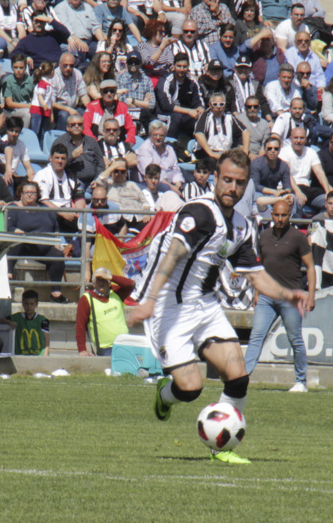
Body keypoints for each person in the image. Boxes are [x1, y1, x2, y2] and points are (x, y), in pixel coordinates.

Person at [129, 149, 308, 464]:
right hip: (170, 309)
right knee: (191, 388)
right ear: (215, 178)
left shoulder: (241, 226)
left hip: (207, 306)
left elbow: (255, 276)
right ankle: (165, 394)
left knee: (238, 376)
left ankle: (221, 447)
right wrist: (149, 301)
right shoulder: (198, 213)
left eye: (239, 183)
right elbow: (171, 255)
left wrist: (287, 293)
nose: (232, 188)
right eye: (226, 180)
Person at [244, 198, 316, 391]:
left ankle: (301, 381)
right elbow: (261, 267)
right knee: (256, 336)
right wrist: (257, 292)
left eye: (284, 215)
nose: (280, 218)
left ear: (290, 215)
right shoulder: (264, 236)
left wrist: (311, 295)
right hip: (267, 298)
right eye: (276, 214)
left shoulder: (298, 237)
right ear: (272, 214)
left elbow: (310, 267)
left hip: (290, 298)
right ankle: (242, 377)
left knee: (295, 339)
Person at [74, 267, 134, 357]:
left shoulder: (116, 294)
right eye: (98, 280)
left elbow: (131, 284)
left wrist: (111, 276)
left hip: (125, 345)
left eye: (104, 280)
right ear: (93, 283)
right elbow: (80, 326)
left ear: (109, 282)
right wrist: (82, 350)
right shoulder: (86, 299)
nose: (101, 283)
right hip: (106, 349)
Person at [0, 290, 50, 356]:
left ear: (36, 304)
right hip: (21, 355)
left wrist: (45, 355)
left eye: (31, 304)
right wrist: (9, 322)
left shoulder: (43, 320)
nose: (29, 307)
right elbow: (0, 320)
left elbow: (46, 340)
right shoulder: (17, 317)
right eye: (26, 304)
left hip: (39, 355)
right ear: (23, 304)